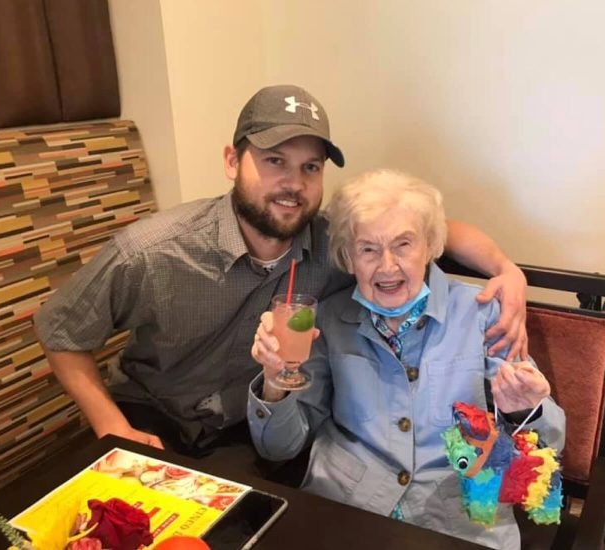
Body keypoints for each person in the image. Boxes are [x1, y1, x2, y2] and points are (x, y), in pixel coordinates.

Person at [34, 85, 528, 458]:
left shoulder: (338, 245)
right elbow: (60, 330)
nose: (293, 184)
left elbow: (425, 228)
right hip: (150, 418)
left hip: (252, 429)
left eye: (310, 167)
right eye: (275, 161)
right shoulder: (152, 252)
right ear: (232, 160)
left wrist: (508, 270)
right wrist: (109, 423)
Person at [248, 169, 564, 549]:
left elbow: (546, 449)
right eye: (368, 249)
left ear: (430, 246)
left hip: (456, 522)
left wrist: (521, 412)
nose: (386, 266)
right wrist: (274, 379)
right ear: (347, 257)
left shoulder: (482, 314)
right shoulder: (328, 321)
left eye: (403, 245)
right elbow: (278, 447)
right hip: (345, 512)